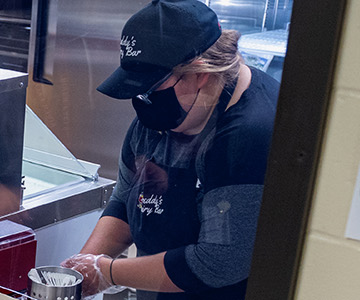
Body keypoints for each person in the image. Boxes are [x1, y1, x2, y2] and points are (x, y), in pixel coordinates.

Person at [61, 1, 278, 299]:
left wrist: (108, 272)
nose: (142, 101)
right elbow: (127, 199)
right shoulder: (166, 112)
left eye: (150, 88)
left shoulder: (249, 135)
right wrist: (80, 271)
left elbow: (219, 263)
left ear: (200, 72)